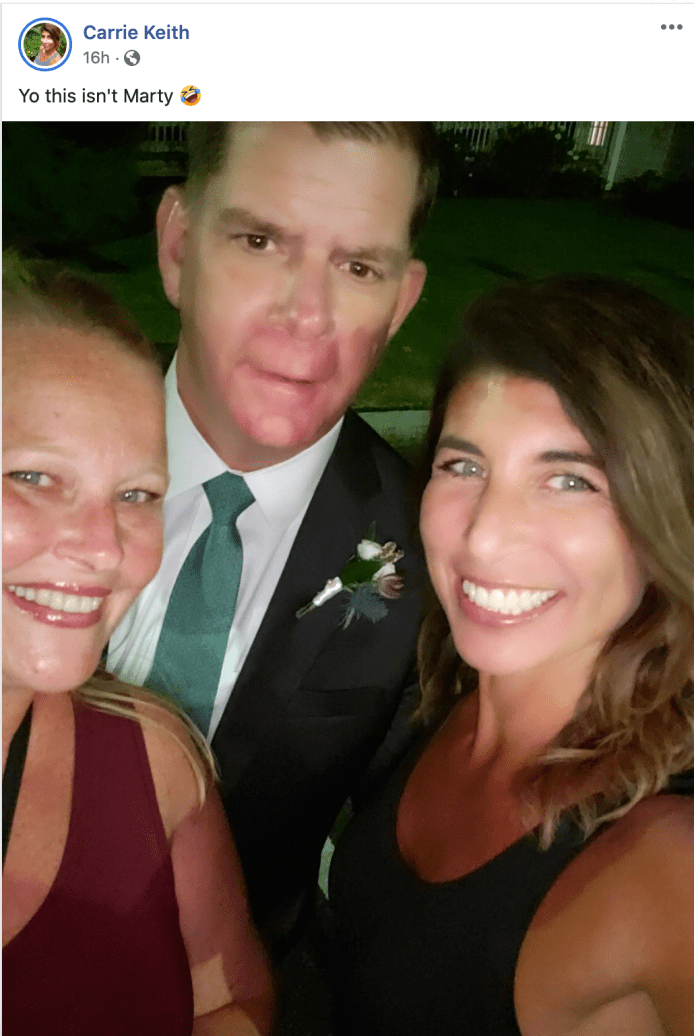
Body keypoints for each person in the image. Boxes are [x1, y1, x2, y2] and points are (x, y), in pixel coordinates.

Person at [329, 274, 694, 1035]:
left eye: (570, 480)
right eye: (463, 466)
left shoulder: (672, 862)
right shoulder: (447, 689)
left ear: (667, 515)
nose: (486, 535)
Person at [107, 121, 436, 949]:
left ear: (401, 302)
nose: (307, 316)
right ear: (178, 246)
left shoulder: (433, 560)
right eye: (259, 241)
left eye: (358, 268)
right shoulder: (23, 430)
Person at [2, 261, 273, 1035]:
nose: (103, 547)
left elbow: (232, 1000)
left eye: (136, 494)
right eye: (35, 476)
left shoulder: (154, 762)